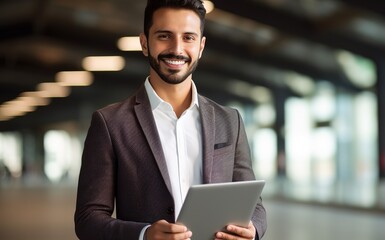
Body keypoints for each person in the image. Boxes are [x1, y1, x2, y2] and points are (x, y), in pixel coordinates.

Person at [74, 0, 267, 239]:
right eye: (164, 36)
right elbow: (88, 218)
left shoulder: (230, 120)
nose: (177, 48)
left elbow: (253, 204)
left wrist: (253, 228)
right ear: (144, 43)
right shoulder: (110, 123)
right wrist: (144, 235)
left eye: (188, 37)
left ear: (201, 46)